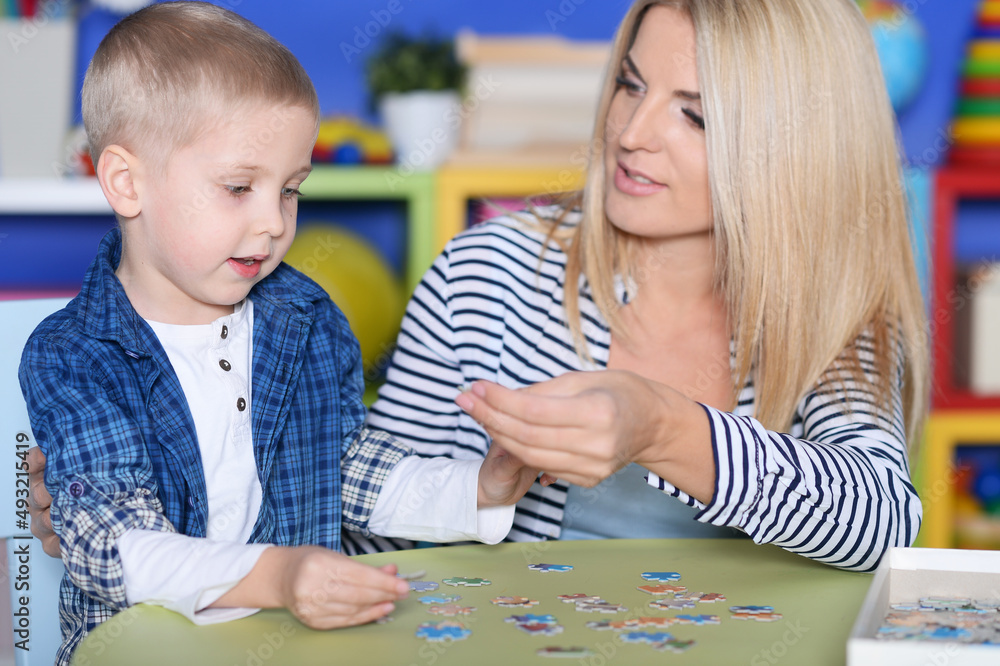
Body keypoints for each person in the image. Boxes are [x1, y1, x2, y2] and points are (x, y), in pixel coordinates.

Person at [18, 4, 534, 664]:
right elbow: (113, 543)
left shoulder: (307, 317)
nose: (274, 223)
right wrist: (278, 576)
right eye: (240, 187)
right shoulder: (74, 355)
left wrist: (478, 490)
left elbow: (348, 468)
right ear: (126, 182)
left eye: (291, 190)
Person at [353, 0, 929, 570]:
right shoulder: (485, 272)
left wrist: (659, 426)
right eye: (631, 85)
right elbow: (367, 542)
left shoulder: (835, 310)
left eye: (695, 116)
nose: (631, 133)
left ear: (800, 150)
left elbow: (881, 521)